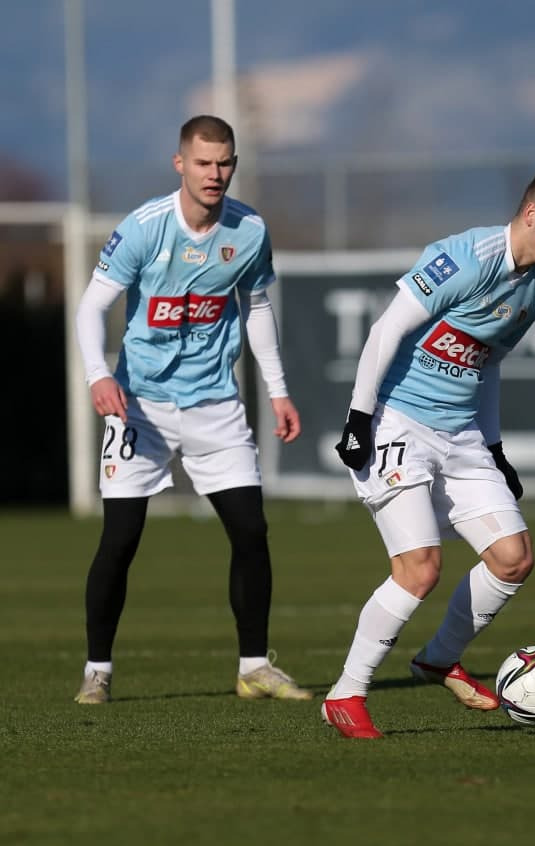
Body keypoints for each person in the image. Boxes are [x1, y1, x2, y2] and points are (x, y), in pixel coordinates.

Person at [322, 165, 535, 738]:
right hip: (397, 423)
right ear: (532, 214)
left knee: (513, 558)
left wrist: (494, 448)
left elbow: (486, 365)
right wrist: (358, 418)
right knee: (419, 569)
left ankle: (438, 659)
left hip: (461, 435)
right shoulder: (467, 258)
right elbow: (386, 329)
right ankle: (346, 694)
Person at [72, 115, 311, 703]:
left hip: (215, 405)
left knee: (251, 530)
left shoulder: (249, 230)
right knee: (120, 539)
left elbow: (257, 307)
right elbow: (90, 308)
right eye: (203, 162)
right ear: (180, 163)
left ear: (234, 165)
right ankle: (97, 671)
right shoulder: (144, 228)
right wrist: (99, 375)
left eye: (224, 163)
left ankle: (254, 667)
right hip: (139, 407)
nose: (214, 173)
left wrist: (277, 390)